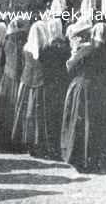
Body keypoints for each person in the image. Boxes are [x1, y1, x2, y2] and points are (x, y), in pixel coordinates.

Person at [61, 23, 106, 173]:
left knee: (82, 123)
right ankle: (99, 159)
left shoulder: (87, 50)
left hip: (84, 88)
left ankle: (82, 159)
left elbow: (70, 67)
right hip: (102, 89)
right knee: (99, 124)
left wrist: (74, 52)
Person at [11, 21, 52, 157]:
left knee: (27, 113)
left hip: (27, 82)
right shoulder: (47, 49)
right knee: (40, 115)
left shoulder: (26, 48)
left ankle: (27, 142)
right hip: (41, 84)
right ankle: (40, 143)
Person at [0, 17, 29, 151]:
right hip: (18, 76)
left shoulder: (7, 40)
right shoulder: (24, 38)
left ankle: (3, 138)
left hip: (7, 76)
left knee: (6, 108)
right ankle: (17, 140)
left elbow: (2, 59)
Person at [40, 18, 71, 159]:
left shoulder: (45, 48)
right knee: (61, 116)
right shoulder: (66, 47)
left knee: (50, 117)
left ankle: (50, 147)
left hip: (48, 85)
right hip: (62, 84)